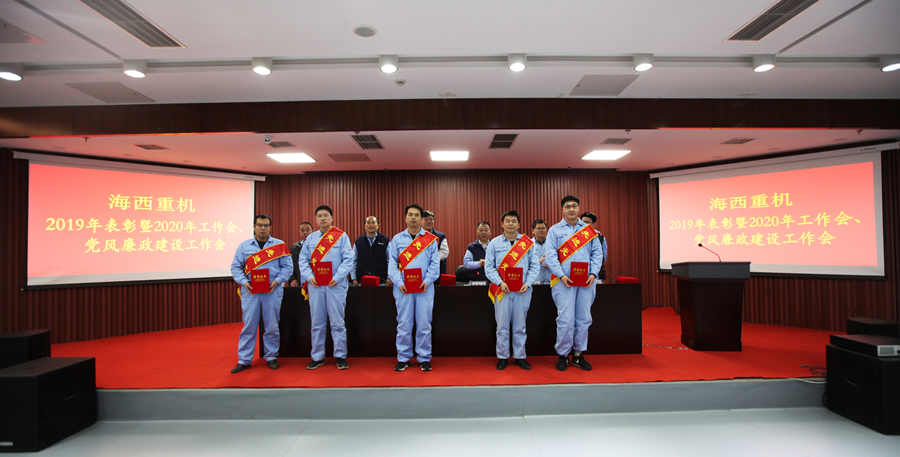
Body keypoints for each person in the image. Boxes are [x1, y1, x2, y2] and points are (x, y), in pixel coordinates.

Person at [545, 196, 603, 371]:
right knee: (565, 319)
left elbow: (597, 253)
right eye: (568, 206)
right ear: (562, 209)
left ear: (579, 208)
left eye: (574, 206)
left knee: (584, 318)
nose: (571, 209)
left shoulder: (588, 230)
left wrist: (593, 273)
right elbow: (551, 255)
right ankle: (563, 354)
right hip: (563, 282)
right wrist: (561, 275)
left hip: (586, 282)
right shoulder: (554, 230)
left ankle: (578, 354)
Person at [229, 214, 292, 373]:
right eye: (259, 225)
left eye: (265, 225)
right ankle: (244, 359)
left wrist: (277, 281)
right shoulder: (244, 246)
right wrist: (244, 282)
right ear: (254, 227)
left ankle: (271, 357)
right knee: (249, 325)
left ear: (270, 227)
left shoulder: (279, 245)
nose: (262, 228)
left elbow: (287, 267)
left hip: (272, 290)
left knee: (271, 325)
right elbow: (236, 267)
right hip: (250, 291)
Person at [298, 205, 354, 370]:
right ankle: (317, 356)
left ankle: (340, 355)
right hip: (316, 285)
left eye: (325, 215)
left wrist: (337, 277)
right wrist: (310, 277)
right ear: (316, 219)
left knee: (337, 322)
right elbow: (303, 261)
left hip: (335, 285)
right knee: (317, 322)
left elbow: (348, 260)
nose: (322, 218)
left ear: (331, 218)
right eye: (319, 216)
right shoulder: (311, 239)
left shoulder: (341, 236)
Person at [484, 210, 540, 370]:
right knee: (502, 326)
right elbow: (489, 267)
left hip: (522, 290)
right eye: (507, 221)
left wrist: (528, 283)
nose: (510, 224)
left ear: (519, 224)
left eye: (514, 221)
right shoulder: (494, 243)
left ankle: (520, 356)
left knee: (520, 326)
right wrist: (500, 282)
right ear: (502, 224)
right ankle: (502, 357)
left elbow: (535, 265)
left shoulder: (527, 243)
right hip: (502, 291)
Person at [387, 204, 441, 371]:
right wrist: (399, 283)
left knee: (424, 323)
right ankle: (403, 357)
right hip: (403, 289)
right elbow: (392, 265)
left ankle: (424, 357)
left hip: (424, 288)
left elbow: (435, 264)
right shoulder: (397, 239)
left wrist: (427, 280)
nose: (413, 218)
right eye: (410, 214)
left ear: (421, 219)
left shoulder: (430, 240)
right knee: (404, 323)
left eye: (416, 215)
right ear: (405, 218)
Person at [350, 216, 392, 286]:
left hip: (381, 281)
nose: (371, 225)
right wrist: (353, 278)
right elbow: (353, 261)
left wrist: (389, 277)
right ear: (365, 226)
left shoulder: (385, 240)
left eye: (373, 222)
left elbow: (390, 260)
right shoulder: (358, 241)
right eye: (368, 223)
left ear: (378, 225)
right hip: (362, 281)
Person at [580, 212, 609, 284]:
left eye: (587, 222)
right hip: (579, 271)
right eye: (583, 222)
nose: (584, 224)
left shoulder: (600, 238)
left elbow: (602, 258)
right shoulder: (575, 238)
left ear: (593, 224)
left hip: (594, 273)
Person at [422, 210, 449, 275]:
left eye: (431, 220)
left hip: (437, 271)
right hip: (421, 270)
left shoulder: (441, 236)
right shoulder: (416, 236)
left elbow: (444, 252)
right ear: (420, 221)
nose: (429, 222)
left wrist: (431, 259)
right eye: (426, 220)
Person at [289, 221, 314, 287]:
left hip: (314, 280)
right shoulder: (295, 247)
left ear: (312, 231)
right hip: (299, 282)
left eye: (307, 230)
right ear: (299, 232)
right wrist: (292, 279)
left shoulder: (317, 246)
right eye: (302, 230)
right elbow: (290, 265)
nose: (305, 232)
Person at [531, 219, 552, 284]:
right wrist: (537, 262)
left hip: (550, 279)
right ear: (533, 231)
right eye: (538, 228)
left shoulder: (552, 243)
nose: (541, 230)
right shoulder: (528, 244)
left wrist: (552, 263)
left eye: (543, 228)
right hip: (534, 280)